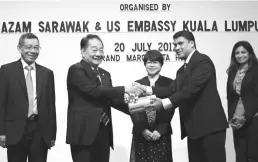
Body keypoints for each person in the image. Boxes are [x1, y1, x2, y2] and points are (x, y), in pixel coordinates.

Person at [144, 31, 229, 162]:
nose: (176, 48)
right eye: (174, 45)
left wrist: (164, 103)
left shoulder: (202, 61)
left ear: (192, 43)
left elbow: (191, 90)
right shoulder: (181, 70)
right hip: (193, 130)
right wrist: (145, 89)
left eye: (180, 43)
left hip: (210, 128)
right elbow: (170, 89)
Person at [65, 34, 142, 162]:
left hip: (103, 131)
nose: (98, 53)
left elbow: (111, 98)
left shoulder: (105, 74)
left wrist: (137, 106)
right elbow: (94, 91)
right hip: (83, 133)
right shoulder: (76, 70)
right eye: (94, 50)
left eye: (101, 50)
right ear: (83, 51)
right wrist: (125, 89)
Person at [0, 33, 57, 162]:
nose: (33, 51)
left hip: (40, 131)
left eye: (36, 47)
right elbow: (1, 103)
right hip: (15, 131)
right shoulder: (7, 70)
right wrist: (1, 132)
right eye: (28, 47)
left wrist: (52, 134)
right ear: (19, 48)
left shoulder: (47, 73)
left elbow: (50, 105)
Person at [129, 50, 174, 162]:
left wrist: (160, 130)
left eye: (155, 62)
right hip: (141, 133)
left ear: (161, 64)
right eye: (149, 62)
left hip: (161, 133)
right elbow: (132, 109)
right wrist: (143, 129)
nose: (152, 65)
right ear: (145, 64)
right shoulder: (137, 84)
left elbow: (170, 108)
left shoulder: (170, 84)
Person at [227, 41, 258, 162]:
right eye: (237, 53)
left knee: (253, 156)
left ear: (250, 54)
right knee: (240, 156)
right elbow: (230, 97)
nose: (240, 55)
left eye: (243, 52)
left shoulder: (256, 70)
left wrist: (246, 117)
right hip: (237, 120)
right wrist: (231, 118)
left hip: (253, 119)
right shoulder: (233, 71)